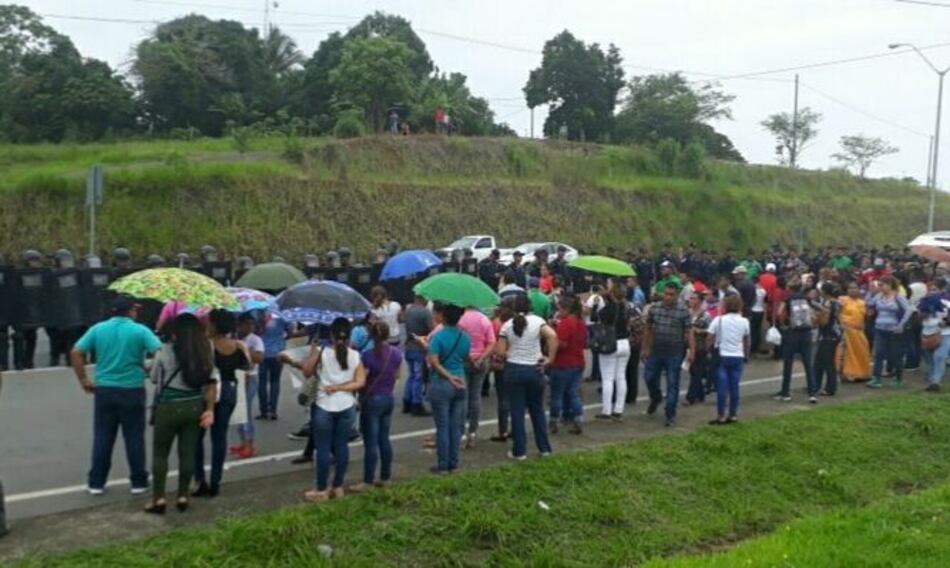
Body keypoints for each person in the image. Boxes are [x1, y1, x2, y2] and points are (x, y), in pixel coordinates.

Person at [71, 296, 163, 496]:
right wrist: (149, 369)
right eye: (135, 309)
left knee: (103, 436)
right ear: (130, 311)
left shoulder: (98, 329)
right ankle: (138, 482)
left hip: (105, 389)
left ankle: (96, 482)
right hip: (132, 388)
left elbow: (76, 352)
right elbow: (159, 351)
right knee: (134, 437)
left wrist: (84, 380)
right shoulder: (140, 330)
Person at [146, 314, 216, 514]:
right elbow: (211, 382)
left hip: (168, 406)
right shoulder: (206, 349)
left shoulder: (165, 351)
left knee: (161, 454)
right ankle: (183, 495)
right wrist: (209, 410)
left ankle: (159, 498)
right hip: (194, 405)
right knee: (187, 453)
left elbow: (153, 379)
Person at [297, 318, 365, 502]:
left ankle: (321, 489)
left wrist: (313, 350)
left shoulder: (321, 352)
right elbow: (360, 382)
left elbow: (307, 372)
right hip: (347, 406)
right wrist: (342, 388)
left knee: (323, 448)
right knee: (341, 446)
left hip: (324, 406)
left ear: (332, 335)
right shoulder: (355, 355)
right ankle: (338, 486)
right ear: (349, 336)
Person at [193, 310, 249, 498]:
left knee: (197, 437)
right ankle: (216, 481)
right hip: (230, 389)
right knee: (220, 436)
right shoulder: (237, 345)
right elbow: (248, 366)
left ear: (214, 325)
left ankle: (200, 480)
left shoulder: (206, 345)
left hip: (209, 390)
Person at [496, 295, 557, 460]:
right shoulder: (538, 321)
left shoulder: (507, 325)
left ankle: (520, 451)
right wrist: (549, 359)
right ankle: (544, 449)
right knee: (537, 410)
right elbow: (552, 336)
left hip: (514, 369)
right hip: (534, 369)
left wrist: (510, 353)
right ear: (530, 306)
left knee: (516, 412)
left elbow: (500, 352)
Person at [351, 321, 402, 492]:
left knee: (370, 441)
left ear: (371, 336)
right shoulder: (396, 353)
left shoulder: (367, 356)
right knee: (384, 439)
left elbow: (362, 380)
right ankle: (386, 476)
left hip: (372, 400)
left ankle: (368, 480)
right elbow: (397, 375)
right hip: (388, 397)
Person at [642, 283, 695, 427]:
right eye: (666, 294)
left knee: (673, 383)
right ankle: (656, 397)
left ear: (677, 296)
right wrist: (645, 348)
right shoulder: (655, 308)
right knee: (649, 377)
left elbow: (689, 331)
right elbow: (648, 328)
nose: (668, 297)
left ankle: (670, 414)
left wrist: (692, 351)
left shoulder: (683, 311)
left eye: (671, 295)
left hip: (674, 352)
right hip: (656, 350)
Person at [426, 304, 471, 473]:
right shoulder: (465, 337)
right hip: (461, 381)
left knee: (442, 427)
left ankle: (443, 465)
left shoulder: (437, 338)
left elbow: (434, 362)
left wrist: (447, 375)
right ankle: (454, 461)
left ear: (443, 317)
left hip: (441, 383)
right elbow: (466, 358)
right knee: (455, 426)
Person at [707, 295, 750, 425]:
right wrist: (746, 354)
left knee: (722, 387)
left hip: (722, 355)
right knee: (734, 386)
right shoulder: (744, 321)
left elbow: (709, 337)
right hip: (738, 355)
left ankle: (720, 415)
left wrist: (708, 350)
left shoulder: (719, 320)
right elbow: (746, 340)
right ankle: (733, 414)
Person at [457, 304, 496, 448]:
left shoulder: (460, 320)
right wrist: (481, 358)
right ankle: (472, 432)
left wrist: (469, 357)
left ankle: (460, 432)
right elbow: (492, 343)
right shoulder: (484, 320)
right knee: (475, 397)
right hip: (481, 361)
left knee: (462, 397)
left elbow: (458, 341)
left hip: (463, 360)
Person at [775, 277, 818, 403]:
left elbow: (779, 313)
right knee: (808, 363)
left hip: (792, 333)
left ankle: (786, 392)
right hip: (807, 332)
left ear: (790, 289)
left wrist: (784, 324)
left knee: (788, 363)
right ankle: (812, 393)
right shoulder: (807, 299)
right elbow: (818, 309)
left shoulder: (787, 299)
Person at [549, 295, 587, 434]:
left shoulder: (565, 324)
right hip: (578, 361)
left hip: (562, 363)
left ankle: (554, 420)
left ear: (566, 309)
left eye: (559, 309)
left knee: (556, 395)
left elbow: (562, 344)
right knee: (573, 393)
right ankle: (578, 419)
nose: (558, 312)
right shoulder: (580, 322)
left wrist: (552, 337)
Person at [866, 275, 912, 389]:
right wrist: (870, 292)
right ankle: (876, 378)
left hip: (894, 330)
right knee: (878, 354)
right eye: (880, 285)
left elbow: (908, 310)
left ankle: (898, 378)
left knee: (895, 354)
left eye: (883, 285)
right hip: (879, 328)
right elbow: (868, 304)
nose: (881, 287)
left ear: (891, 285)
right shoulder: (878, 296)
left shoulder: (898, 297)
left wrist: (901, 324)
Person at [596, 282, 632, 421]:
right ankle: (618, 409)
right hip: (625, 343)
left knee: (607, 378)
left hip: (612, 343)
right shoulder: (626, 307)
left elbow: (599, 317)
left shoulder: (608, 309)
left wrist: (604, 300)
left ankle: (606, 410)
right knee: (621, 377)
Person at [232, 313, 263, 459]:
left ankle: (250, 445)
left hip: (250, 378)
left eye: (251, 324)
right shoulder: (235, 338)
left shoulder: (255, 340)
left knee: (246, 412)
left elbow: (259, 358)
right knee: (239, 412)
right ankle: (243, 442)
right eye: (246, 323)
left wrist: (244, 348)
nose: (250, 327)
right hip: (237, 377)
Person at [258, 314, 293, 421]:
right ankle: (273, 411)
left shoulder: (258, 313)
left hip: (262, 352)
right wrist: (282, 338)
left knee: (262, 382)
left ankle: (264, 411)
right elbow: (290, 330)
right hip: (278, 352)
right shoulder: (282, 314)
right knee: (275, 381)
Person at [403, 295, 433, 416]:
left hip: (408, 346)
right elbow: (432, 329)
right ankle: (417, 404)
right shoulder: (425, 312)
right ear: (423, 299)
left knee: (411, 375)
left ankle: (407, 401)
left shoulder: (408, 310)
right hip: (419, 347)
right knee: (418, 377)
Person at [489, 300, 515, 442]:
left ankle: (503, 430)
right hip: (516, 362)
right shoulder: (518, 323)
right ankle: (515, 428)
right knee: (515, 399)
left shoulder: (497, 324)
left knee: (503, 399)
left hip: (502, 363)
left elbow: (493, 344)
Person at [837, 282, 871, 382]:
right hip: (846, 331)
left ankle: (862, 374)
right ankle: (848, 374)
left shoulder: (862, 302)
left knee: (862, 351)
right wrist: (841, 325)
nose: (853, 290)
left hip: (858, 331)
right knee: (847, 354)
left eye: (855, 288)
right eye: (850, 288)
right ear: (847, 290)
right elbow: (837, 313)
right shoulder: (842, 300)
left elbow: (865, 317)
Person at [814, 283, 842, 397]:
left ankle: (830, 388)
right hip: (835, 334)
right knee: (820, 361)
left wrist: (816, 316)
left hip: (828, 335)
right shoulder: (836, 302)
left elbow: (824, 321)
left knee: (827, 362)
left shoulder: (827, 304)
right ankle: (816, 384)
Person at [919, 292, 950, 392]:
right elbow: (918, 318)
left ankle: (936, 382)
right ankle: (933, 378)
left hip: (944, 334)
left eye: (935, 289)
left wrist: (944, 322)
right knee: (930, 359)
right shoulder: (924, 303)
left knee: (939, 356)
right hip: (927, 334)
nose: (932, 291)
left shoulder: (947, 304)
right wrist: (924, 313)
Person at [684, 292, 711, 405]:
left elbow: (709, 331)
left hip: (700, 346)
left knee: (696, 371)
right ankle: (700, 394)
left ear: (700, 301)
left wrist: (699, 331)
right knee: (693, 370)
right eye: (690, 298)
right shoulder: (687, 313)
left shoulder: (705, 315)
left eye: (694, 299)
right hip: (687, 345)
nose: (691, 300)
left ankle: (690, 397)